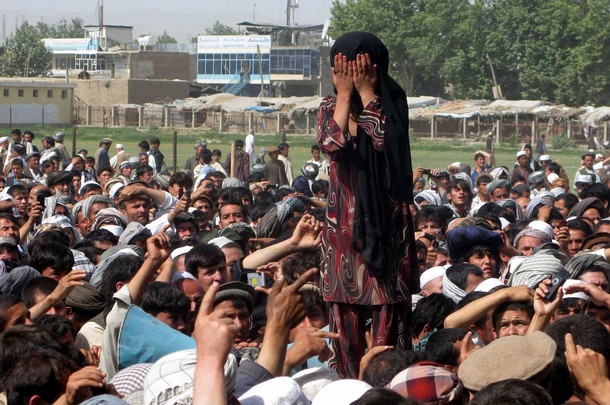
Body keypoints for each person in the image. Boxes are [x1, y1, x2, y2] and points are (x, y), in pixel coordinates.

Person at [317, 32, 416, 378]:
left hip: (385, 234)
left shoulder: (392, 104)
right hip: (342, 237)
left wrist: (368, 93)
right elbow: (332, 144)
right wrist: (345, 96)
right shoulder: (329, 107)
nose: (350, 73)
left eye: (359, 67)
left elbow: (383, 141)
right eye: (342, 67)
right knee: (345, 330)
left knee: (388, 333)